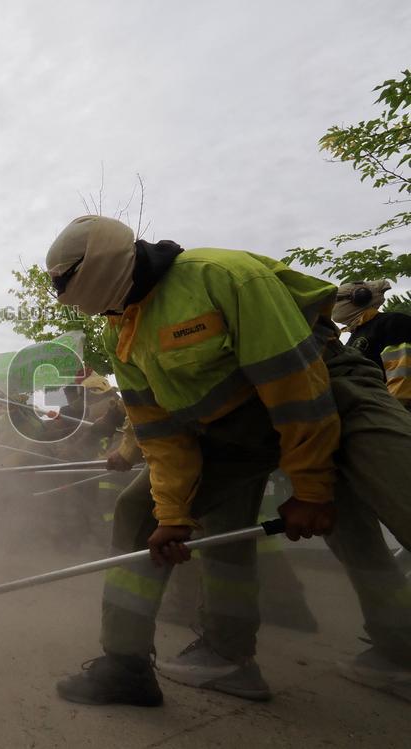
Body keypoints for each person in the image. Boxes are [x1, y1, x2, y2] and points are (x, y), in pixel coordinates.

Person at [43, 214, 411, 706]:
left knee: (392, 498)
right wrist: (174, 515)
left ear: (98, 267)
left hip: (333, 389)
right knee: (142, 511)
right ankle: (135, 665)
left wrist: (311, 489)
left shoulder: (223, 277)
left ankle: (400, 651)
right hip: (237, 427)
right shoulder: (121, 334)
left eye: (65, 284)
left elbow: (296, 388)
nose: (64, 297)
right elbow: (162, 434)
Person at [332, 280, 411, 409]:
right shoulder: (352, 338)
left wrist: (393, 412)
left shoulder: (393, 322)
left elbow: (403, 375)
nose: (332, 306)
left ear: (359, 298)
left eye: (337, 300)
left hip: (396, 415)